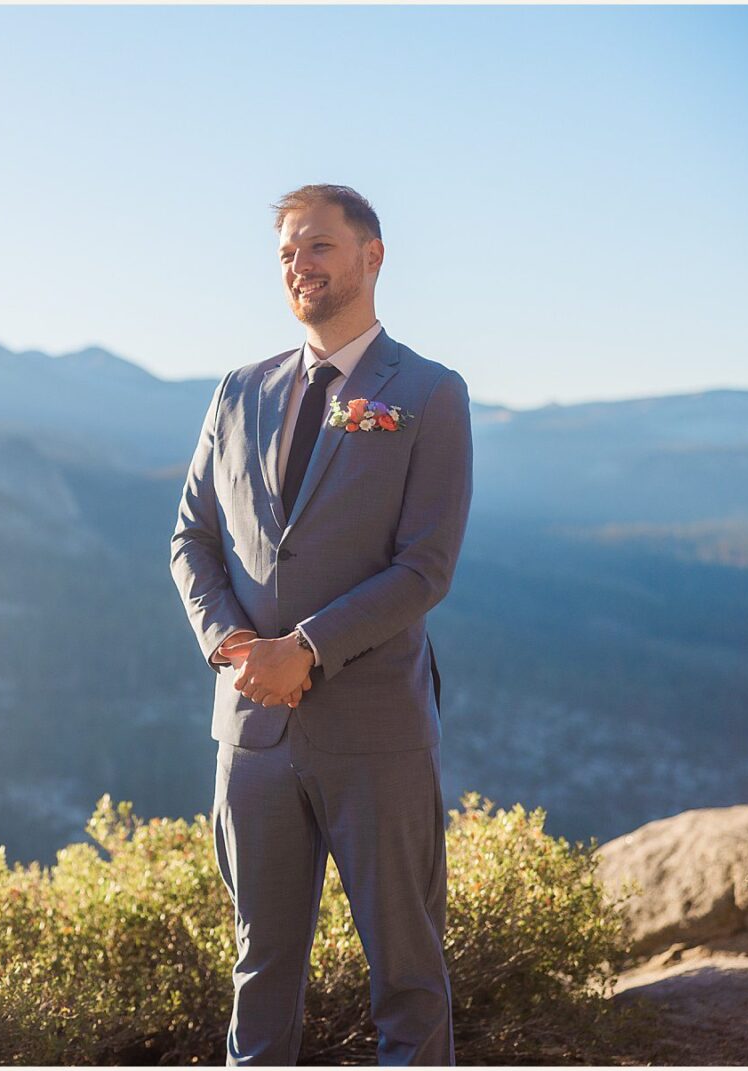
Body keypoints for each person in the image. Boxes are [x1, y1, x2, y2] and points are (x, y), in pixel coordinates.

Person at [169, 185, 473, 1065]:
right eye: (286, 253)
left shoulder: (429, 392)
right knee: (259, 970)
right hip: (253, 730)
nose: (299, 266)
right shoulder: (239, 390)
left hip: (376, 729)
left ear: (371, 256)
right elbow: (191, 538)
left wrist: (306, 649)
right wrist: (232, 646)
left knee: (407, 973)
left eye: (318, 247)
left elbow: (425, 567)